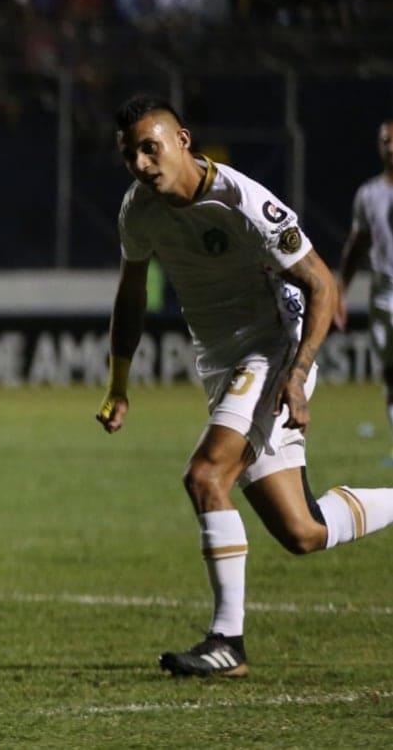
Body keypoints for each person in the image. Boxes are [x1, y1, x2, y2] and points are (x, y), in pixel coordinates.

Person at [96, 96, 393, 678]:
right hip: (221, 361)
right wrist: (119, 383)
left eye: (150, 146)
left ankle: (227, 640)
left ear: (182, 139)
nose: (140, 162)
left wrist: (298, 376)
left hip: (271, 349)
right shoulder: (139, 210)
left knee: (207, 475)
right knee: (301, 530)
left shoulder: (245, 201)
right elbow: (129, 295)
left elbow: (322, 286)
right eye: (129, 153)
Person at [335, 120, 393, 464]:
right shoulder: (369, 193)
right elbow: (357, 246)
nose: (390, 147)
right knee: (389, 374)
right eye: (385, 140)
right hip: (383, 295)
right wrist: (339, 288)